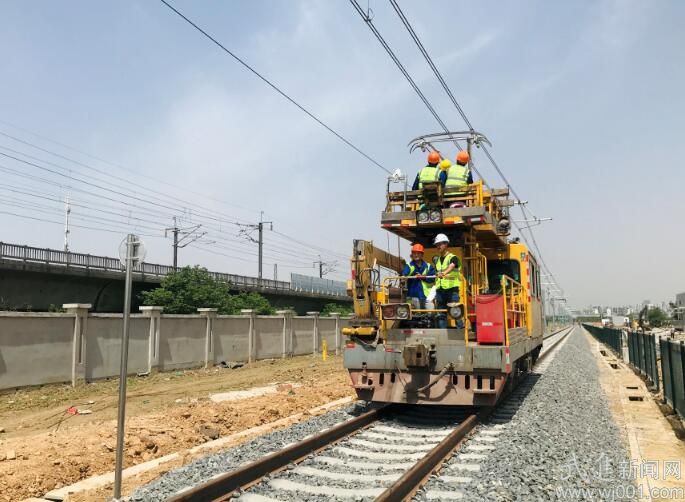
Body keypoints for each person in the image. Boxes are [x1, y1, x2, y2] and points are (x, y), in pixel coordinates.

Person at [432, 233, 463, 328]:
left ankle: (461, 333)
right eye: (437, 244)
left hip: (452, 290)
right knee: (441, 314)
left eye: (440, 244)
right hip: (440, 290)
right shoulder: (437, 260)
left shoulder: (453, 257)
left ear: (446, 244)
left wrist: (444, 273)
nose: (438, 246)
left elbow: (452, 266)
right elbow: (436, 273)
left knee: (456, 313)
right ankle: (443, 335)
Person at [401, 243, 436, 310]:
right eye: (414, 253)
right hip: (413, 297)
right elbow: (405, 273)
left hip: (427, 297)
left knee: (431, 314)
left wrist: (422, 277)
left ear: (422, 254)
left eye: (418, 253)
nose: (416, 255)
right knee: (414, 317)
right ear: (412, 255)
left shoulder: (428, 266)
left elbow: (432, 279)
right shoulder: (409, 266)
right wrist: (403, 278)